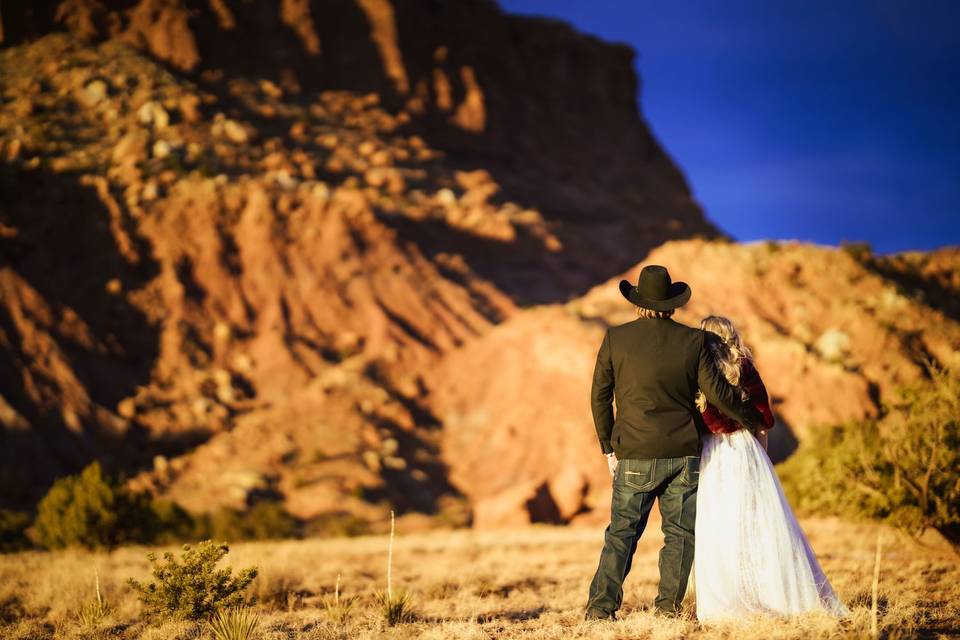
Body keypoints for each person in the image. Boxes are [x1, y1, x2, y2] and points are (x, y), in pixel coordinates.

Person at [585, 265, 765, 620]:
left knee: (621, 534)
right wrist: (753, 419)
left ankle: (601, 610)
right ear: (672, 305)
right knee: (680, 535)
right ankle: (667, 609)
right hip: (682, 454)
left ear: (638, 303)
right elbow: (719, 393)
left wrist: (607, 446)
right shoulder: (692, 341)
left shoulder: (615, 339)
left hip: (634, 452)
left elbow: (599, 398)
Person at [693, 316, 848, 621]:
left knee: (720, 523)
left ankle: (729, 598)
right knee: (759, 522)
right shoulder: (745, 369)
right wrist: (760, 455)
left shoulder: (698, 374)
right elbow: (764, 419)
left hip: (713, 452)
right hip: (745, 450)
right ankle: (776, 592)